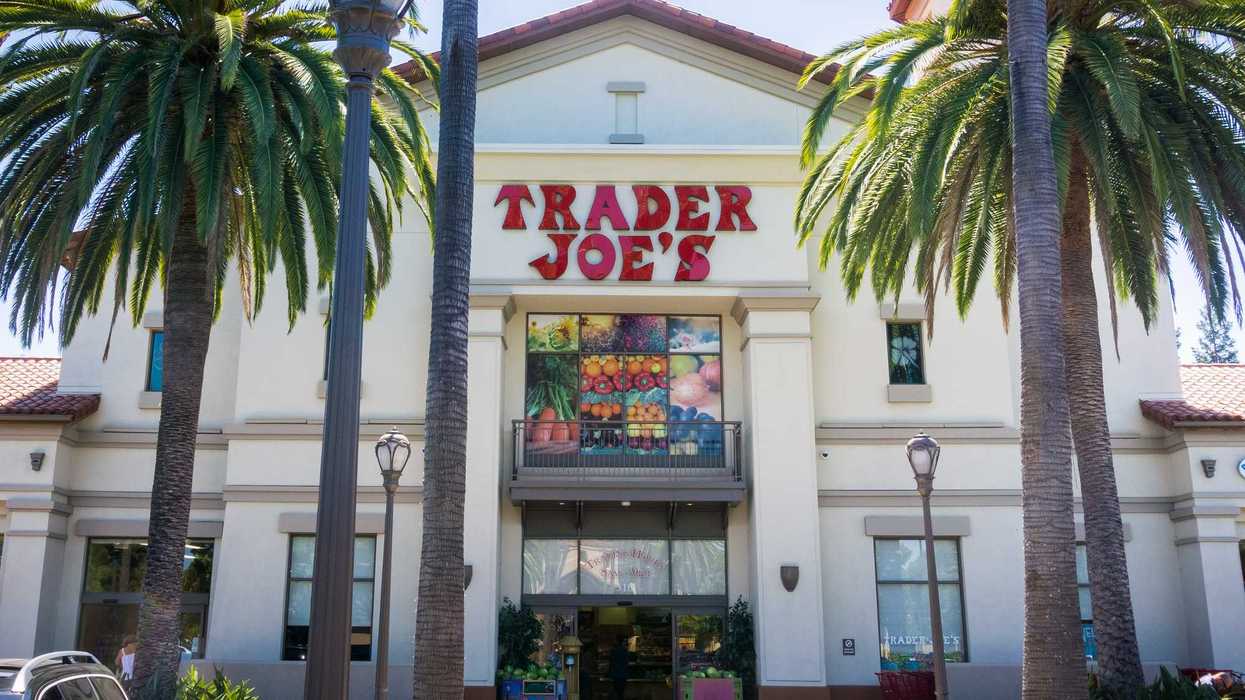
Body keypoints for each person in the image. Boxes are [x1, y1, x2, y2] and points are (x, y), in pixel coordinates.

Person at [608, 635, 630, 700]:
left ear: (617, 641)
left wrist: (609, 672)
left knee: (617, 693)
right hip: (623, 675)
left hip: (616, 675)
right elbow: (627, 663)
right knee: (621, 693)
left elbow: (611, 663)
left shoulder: (614, 651)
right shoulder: (625, 651)